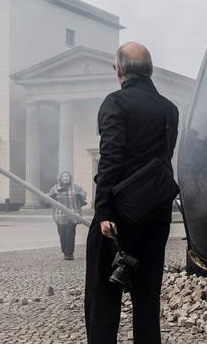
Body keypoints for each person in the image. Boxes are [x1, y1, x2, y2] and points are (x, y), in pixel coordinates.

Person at [85, 42, 179, 343]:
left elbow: (111, 159)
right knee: (147, 297)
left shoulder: (116, 103)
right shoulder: (170, 109)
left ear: (120, 70)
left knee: (103, 296)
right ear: (150, 71)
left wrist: (103, 212)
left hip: (119, 216)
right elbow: (163, 159)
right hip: (156, 213)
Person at [49, 171, 87, 260]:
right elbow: (47, 198)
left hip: (73, 214)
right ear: (60, 178)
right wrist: (55, 193)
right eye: (63, 177)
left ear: (70, 178)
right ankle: (65, 251)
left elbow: (84, 197)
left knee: (70, 233)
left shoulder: (77, 188)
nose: (65, 178)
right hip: (59, 215)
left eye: (67, 177)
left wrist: (77, 195)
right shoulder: (55, 188)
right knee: (62, 234)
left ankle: (69, 253)